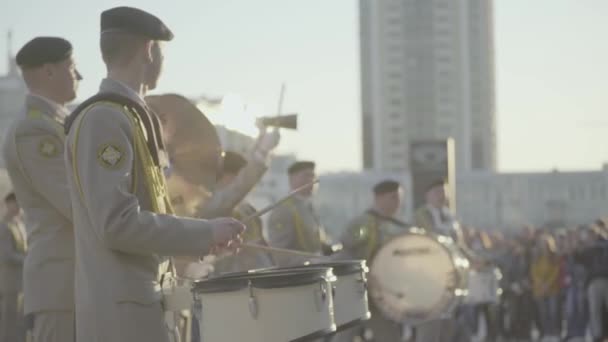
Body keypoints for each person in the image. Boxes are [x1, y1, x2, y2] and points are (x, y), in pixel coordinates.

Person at [63, 7, 244, 342]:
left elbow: (147, 221)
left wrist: (200, 242)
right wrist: (204, 231)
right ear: (149, 50)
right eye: (163, 52)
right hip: (123, 319)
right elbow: (117, 224)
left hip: (143, 309)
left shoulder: (128, 117)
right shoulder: (105, 119)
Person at [2, 37, 81, 341]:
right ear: (49, 72)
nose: (79, 75)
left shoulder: (58, 121)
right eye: (72, 67)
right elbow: (76, 203)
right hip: (59, 285)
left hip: (74, 281)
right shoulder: (32, 129)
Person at [338, 180, 407, 342]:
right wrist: (364, 273)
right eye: (393, 198)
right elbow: (344, 252)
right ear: (379, 198)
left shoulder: (394, 225)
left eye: (399, 198)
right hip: (356, 291)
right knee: (345, 335)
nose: (398, 203)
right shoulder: (363, 223)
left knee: (389, 337)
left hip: (376, 293)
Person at [414, 179, 471, 342]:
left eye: (444, 192)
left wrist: (474, 259)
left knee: (448, 324)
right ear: (427, 196)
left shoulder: (450, 216)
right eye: (438, 192)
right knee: (430, 324)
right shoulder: (421, 215)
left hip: (451, 276)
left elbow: (459, 245)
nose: (442, 195)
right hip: (429, 276)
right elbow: (429, 240)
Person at [209, 151, 276, 274]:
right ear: (224, 176)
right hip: (231, 281)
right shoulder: (213, 207)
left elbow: (262, 243)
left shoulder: (249, 209)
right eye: (237, 177)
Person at [267, 161, 332, 266]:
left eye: (313, 176)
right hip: (298, 276)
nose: (311, 180)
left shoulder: (309, 207)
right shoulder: (283, 210)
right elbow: (279, 253)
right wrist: (309, 261)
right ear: (291, 179)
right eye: (306, 176)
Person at [0, 192, 26, 342]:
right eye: (15, 203)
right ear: (8, 204)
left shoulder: (19, 224)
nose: (18, 207)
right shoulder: (4, 227)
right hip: (9, 281)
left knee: (18, 320)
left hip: (21, 280)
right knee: (8, 321)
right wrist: (26, 259)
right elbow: (6, 255)